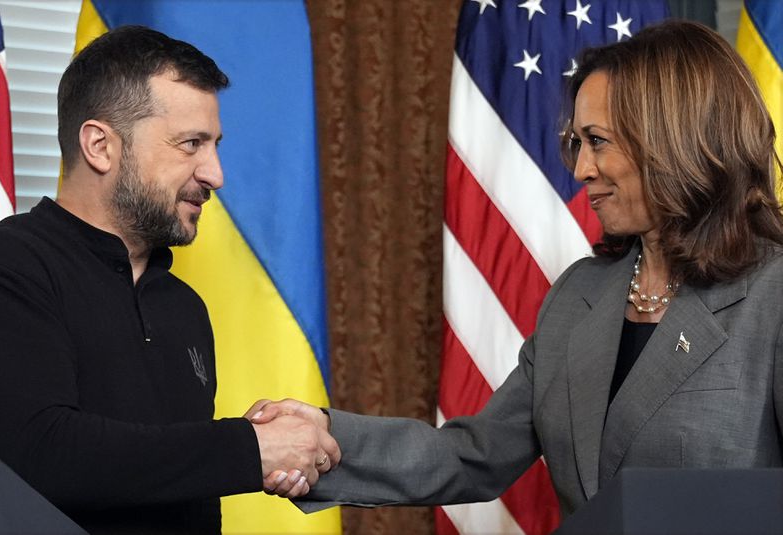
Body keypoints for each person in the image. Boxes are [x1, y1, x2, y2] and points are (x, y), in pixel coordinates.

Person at [251, 20, 783, 518]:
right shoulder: (581, 294)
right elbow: (474, 454)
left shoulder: (771, 294)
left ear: (676, 139)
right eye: (577, 144)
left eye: (597, 141)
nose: (580, 169)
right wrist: (322, 435)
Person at [0, 26, 338, 534]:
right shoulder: (7, 266)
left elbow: (186, 491)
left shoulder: (185, 306)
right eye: (190, 143)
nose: (215, 174)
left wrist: (275, 448)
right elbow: (40, 453)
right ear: (100, 146)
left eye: (214, 145)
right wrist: (249, 448)